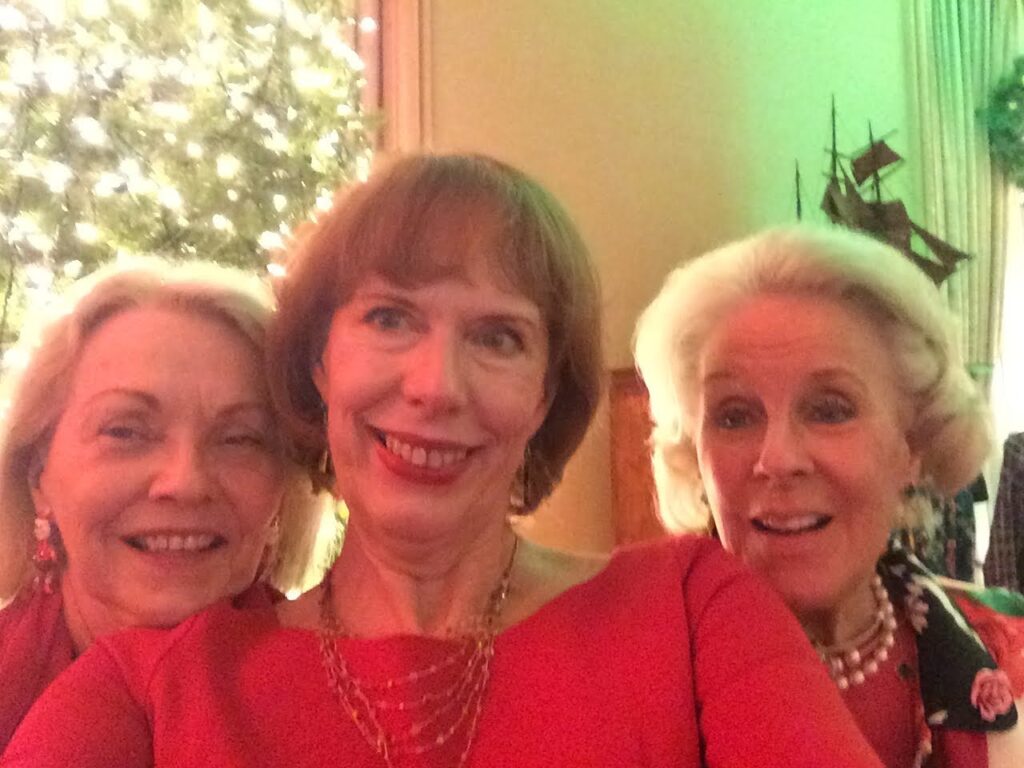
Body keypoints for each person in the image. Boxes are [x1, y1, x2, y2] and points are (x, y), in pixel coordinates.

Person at [4, 156, 884, 767]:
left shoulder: (692, 612)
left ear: (544, 395)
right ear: (319, 362)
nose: (436, 386)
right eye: (390, 318)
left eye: (499, 338)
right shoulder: (152, 687)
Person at [634, 225, 1024, 767]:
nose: (777, 460)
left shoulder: (1012, 654)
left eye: (829, 410)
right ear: (694, 453)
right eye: (734, 416)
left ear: (912, 443)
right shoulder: (624, 687)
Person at [0, 259, 324, 749]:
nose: (186, 482)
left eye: (239, 438)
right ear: (37, 475)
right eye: (125, 431)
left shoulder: (352, 709)